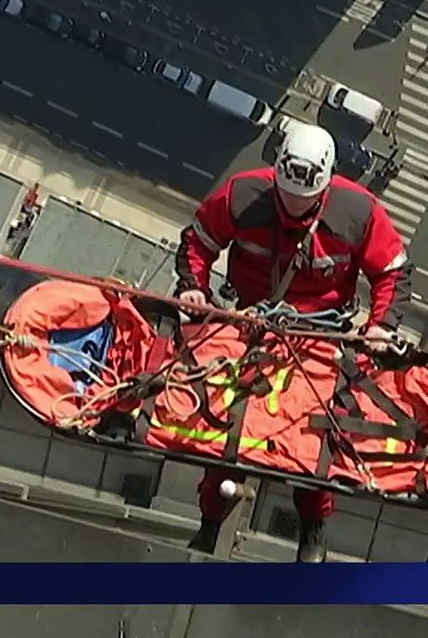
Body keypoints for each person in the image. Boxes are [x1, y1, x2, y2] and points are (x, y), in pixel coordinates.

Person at [173, 122, 414, 562]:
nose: (292, 210)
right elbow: (199, 240)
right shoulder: (243, 196)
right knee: (227, 432)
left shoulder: (357, 212)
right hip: (249, 325)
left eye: (304, 205)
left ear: (322, 191)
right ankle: (211, 523)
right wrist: (193, 287)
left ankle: (312, 529)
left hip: (319, 338)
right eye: (286, 200)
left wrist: (380, 326)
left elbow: (392, 270)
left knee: (312, 439)